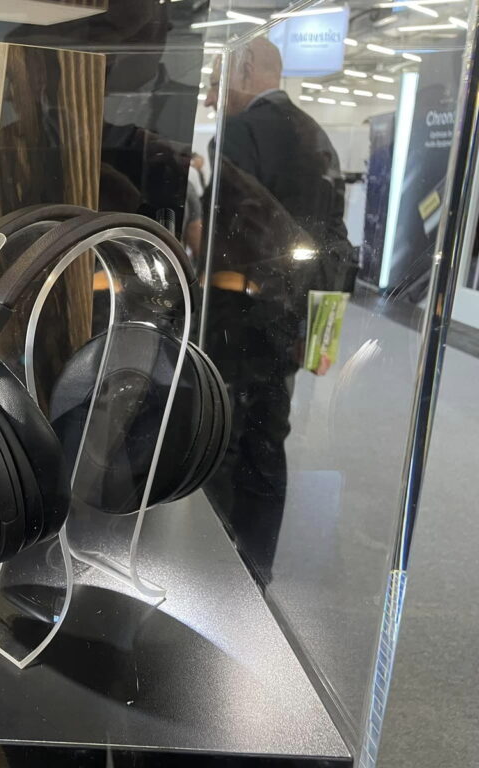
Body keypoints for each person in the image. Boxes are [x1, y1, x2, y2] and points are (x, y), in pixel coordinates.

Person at [200, 37, 355, 583]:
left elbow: (222, 239)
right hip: (291, 320)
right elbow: (335, 242)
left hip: (236, 315)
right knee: (267, 441)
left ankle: (212, 574)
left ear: (244, 70)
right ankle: (256, 571)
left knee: (221, 440)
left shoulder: (239, 135)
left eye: (215, 83)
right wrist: (318, 330)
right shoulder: (318, 139)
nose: (210, 97)